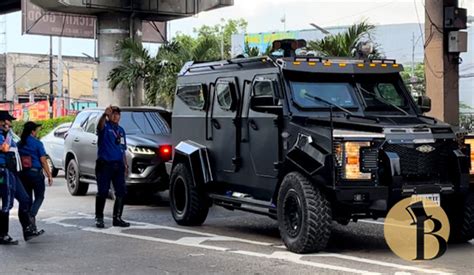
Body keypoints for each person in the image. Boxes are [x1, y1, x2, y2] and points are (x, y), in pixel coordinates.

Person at [0, 111, 43, 244]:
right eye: (8, 121)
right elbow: (5, 148)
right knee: (7, 204)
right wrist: (7, 133)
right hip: (4, 170)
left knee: (24, 199)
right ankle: (3, 235)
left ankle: (27, 229)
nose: (11, 124)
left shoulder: (7, 135)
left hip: (13, 171)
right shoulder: (2, 136)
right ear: (2, 122)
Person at [95, 106, 130, 228]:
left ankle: (117, 218)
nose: (115, 116)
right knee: (103, 192)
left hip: (118, 164)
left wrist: (125, 164)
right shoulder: (105, 127)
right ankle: (99, 218)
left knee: (121, 192)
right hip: (105, 164)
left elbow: (122, 149)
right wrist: (104, 115)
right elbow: (99, 126)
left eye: (117, 114)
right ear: (109, 116)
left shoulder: (121, 130)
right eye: (113, 114)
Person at [18, 121, 53, 231]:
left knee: (28, 199)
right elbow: (43, 161)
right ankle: (31, 215)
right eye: (36, 130)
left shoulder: (19, 144)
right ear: (32, 132)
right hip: (36, 174)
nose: (37, 132)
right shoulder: (37, 143)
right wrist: (49, 175)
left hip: (24, 174)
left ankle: (31, 226)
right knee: (39, 196)